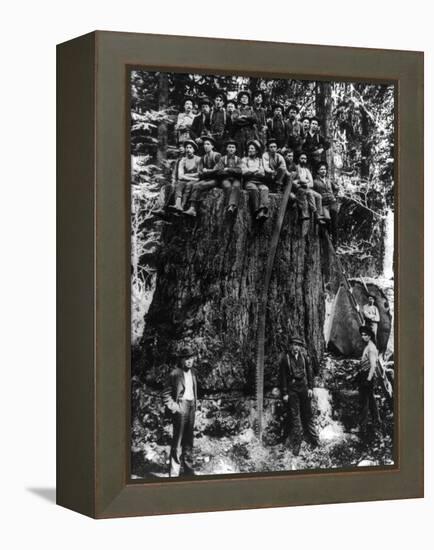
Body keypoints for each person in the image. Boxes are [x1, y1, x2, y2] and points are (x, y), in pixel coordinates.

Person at [279, 336, 319, 456]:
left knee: (308, 414)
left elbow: (309, 372)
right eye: (294, 345)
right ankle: (297, 445)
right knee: (296, 418)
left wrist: (311, 387)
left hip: (303, 387)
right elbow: (282, 377)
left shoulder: (304, 357)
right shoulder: (285, 359)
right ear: (290, 346)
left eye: (298, 345)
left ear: (300, 347)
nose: (296, 347)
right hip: (292, 389)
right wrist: (285, 393)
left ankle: (316, 441)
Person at [163, 346, 198, 477]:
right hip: (181, 406)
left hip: (191, 407)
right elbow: (166, 394)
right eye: (186, 358)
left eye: (191, 358)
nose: (189, 361)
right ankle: (174, 472)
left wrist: (195, 405)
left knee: (189, 440)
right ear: (182, 360)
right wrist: (175, 407)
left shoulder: (194, 372)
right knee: (178, 440)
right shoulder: (175, 373)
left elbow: (194, 390)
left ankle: (189, 470)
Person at [184, 136, 221, 217]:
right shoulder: (203, 157)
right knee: (193, 185)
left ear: (212, 146)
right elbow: (200, 172)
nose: (206, 146)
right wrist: (204, 172)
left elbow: (218, 170)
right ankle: (190, 207)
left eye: (208, 144)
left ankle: (193, 208)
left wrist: (207, 171)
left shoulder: (217, 156)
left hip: (216, 180)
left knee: (199, 186)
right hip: (207, 178)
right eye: (204, 144)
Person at [357, 325, 381, 438]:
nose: (363, 337)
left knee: (364, 402)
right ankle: (377, 421)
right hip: (365, 375)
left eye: (365, 335)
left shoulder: (371, 348)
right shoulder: (369, 346)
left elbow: (373, 366)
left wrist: (367, 380)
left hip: (367, 377)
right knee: (371, 399)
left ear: (370, 336)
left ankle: (363, 427)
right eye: (362, 335)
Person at [153, 143, 185, 218]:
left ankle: (164, 208)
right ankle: (160, 208)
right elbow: (175, 173)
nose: (180, 148)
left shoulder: (187, 158)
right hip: (176, 181)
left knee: (171, 188)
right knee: (164, 188)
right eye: (179, 147)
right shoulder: (178, 159)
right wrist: (170, 168)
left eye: (182, 147)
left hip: (183, 182)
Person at [241, 139, 269, 222]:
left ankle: (262, 210)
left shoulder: (260, 161)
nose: (250, 150)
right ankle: (255, 211)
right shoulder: (244, 160)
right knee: (254, 189)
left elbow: (262, 173)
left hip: (259, 182)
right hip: (249, 182)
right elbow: (244, 172)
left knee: (265, 189)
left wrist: (251, 171)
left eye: (252, 148)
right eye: (249, 148)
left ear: (256, 151)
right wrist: (254, 170)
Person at [294, 153, 325, 223]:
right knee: (310, 193)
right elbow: (298, 180)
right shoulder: (296, 168)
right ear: (298, 159)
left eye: (305, 159)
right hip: (299, 189)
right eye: (302, 158)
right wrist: (305, 181)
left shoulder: (307, 170)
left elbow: (311, 183)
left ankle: (319, 216)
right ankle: (316, 213)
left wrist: (305, 183)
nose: (303, 160)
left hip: (306, 187)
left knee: (319, 196)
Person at [171, 140, 201, 212]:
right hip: (187, 180)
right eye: (187, 148)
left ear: (194, 149)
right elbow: (180, 176)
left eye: (190, 147)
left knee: (188, 185)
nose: (188, 149)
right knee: (179, 183)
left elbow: (199, 173)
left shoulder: (198, 159)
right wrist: (191, 177)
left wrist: (187, 175)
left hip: (195, 181)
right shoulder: (183, 160)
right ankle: (178, 204)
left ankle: (183, 205)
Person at [313, 163, 340, 242]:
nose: (323, 171)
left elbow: (336, 188)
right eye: (321, 169)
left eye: (324, 169)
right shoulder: (315, 182)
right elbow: (313, 192)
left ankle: (335, 242)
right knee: (327, 220)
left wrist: (334, 196)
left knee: (335, 223)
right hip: (324, 204)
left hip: (332, 202)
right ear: (318, 171)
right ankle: (328, 238)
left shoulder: (329, 180)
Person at [217, 139, 242, 216]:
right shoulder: (222, 159)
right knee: (227, 186)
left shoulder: (238, 159)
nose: (231, 149)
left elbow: (239, 171)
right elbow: (220, 171)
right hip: (225, 179)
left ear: (235, 149)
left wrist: (228, 169)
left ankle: (230, 206)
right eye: (229, 147)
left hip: (236, 179)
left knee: (236, 186)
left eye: (233, 147)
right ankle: (230, 206)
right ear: (226, 148)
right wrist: (233, 171)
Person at [232, 90, 257, 156]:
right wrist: (249, 121)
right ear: (240, 100)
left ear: (248, 100)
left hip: (250, 135)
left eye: (246, 98)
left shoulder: (251, 111)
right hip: (239, 135)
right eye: (242, 97)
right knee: (239, 152)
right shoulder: (236, 111)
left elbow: (254, 119)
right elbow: (235, 121)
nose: (244, 99)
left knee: (249, 151)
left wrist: (245, 117)